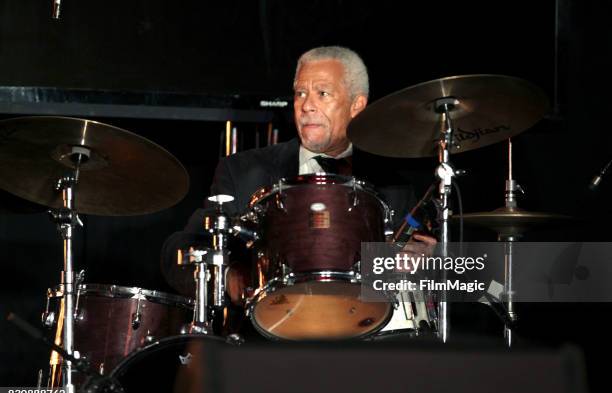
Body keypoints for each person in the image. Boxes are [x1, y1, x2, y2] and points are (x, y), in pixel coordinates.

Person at [161, 46, 435, 302]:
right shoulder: (243, 171)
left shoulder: (393, 187)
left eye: (322, 94)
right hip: (270, 339)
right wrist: (229, 278)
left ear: (356, 105)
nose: (306, 105)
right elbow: (178, 251)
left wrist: (427, 263)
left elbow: (427, 274)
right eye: (300, 93)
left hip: (360, 337)